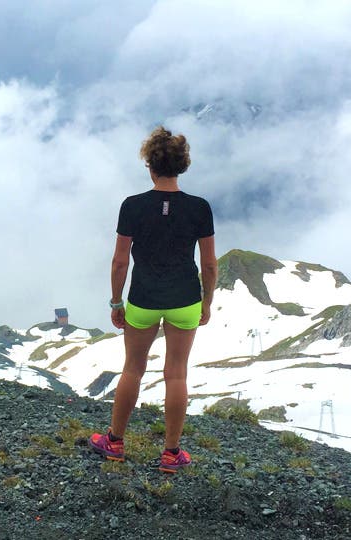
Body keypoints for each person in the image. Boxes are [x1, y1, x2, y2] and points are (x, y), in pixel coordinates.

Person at [89, 126, 218, 473]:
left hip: (143, 298)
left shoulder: (132, 206)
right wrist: (206, 302)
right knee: (176, 374)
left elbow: (120, 261)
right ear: (182, 165)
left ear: (150, 165)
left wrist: (116, 302)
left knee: (133, 367)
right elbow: (208, 263)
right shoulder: (199, 208)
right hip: (185, 298)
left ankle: (114, 442)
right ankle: (171, 454)